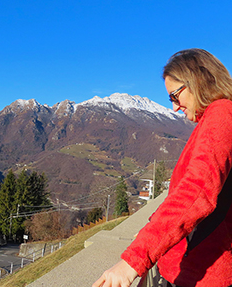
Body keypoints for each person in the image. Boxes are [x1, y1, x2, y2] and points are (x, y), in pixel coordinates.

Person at [94, 48, 232, 287]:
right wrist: (152, 230)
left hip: (202, 272)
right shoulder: (212, 118)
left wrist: (132, 262)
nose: (174, 108)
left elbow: (196, 191)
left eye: (174, 96)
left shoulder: (222, 115)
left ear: (197, 81)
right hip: (190, 266)